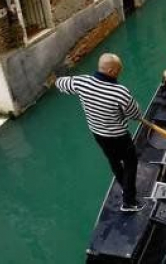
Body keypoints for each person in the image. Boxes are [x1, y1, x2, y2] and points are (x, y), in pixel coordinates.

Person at [55, 53, 145, 213]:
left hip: (98, 134)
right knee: (131, 163)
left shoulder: (81, 82)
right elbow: (135, 115)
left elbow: (60, 83)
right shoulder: (120, 92)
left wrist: (59, 81)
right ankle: (129, 202)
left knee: (114, 161)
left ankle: (124, 188)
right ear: (111, 71)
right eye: (118, 70)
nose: (119, 73)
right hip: (119, 136)